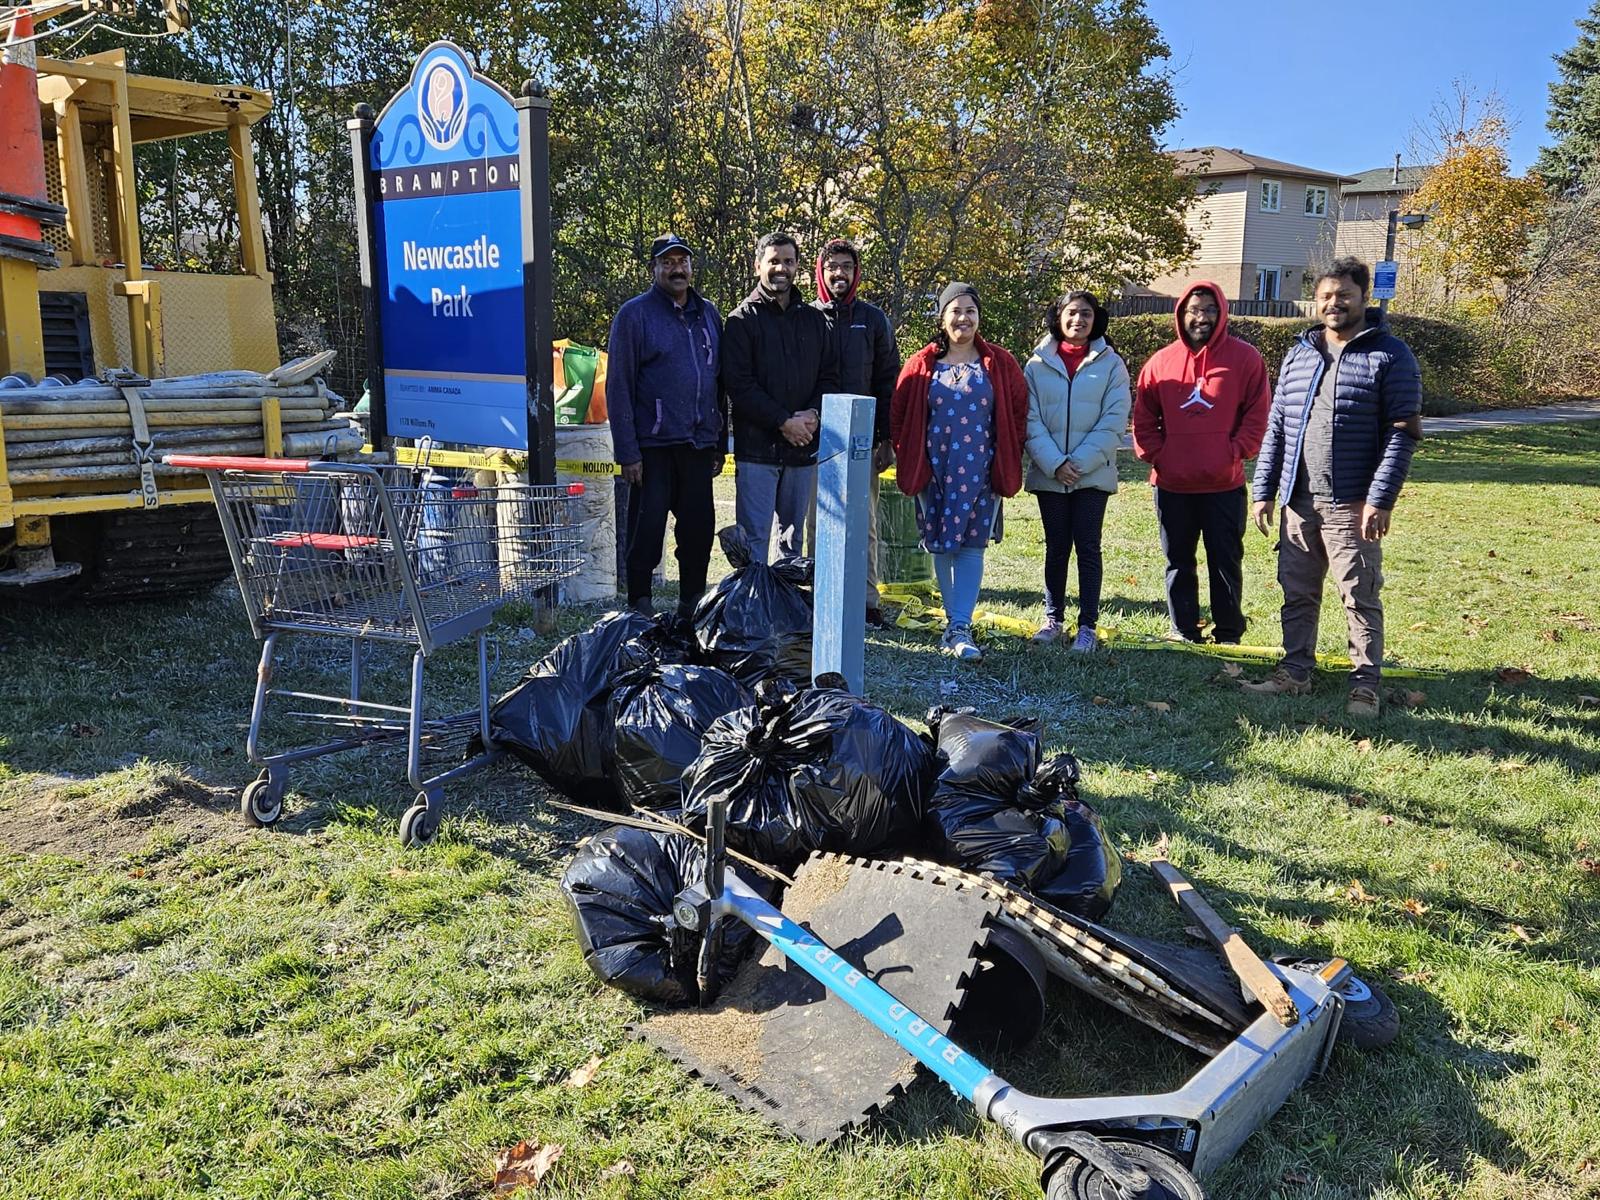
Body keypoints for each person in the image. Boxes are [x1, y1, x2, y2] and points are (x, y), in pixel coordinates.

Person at [1244, 257, 1422, 717]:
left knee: (1359, 595)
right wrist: (1264, 488)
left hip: (1352, 502)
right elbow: (1277, 427)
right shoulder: (1300, 353)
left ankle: (1365, 685)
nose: (1333, 304)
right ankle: (1294, 672)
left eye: (1343, 294)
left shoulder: (1391, 354)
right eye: (1325, 295)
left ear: (1364, 296)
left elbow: (1403, 430)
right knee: (1297, 591)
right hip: (1298, 502)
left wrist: (1381, 499)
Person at [890, 282, 1027, 662]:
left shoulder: (1000, 363)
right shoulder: (922, 363)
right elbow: (900, 415)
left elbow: (1017, 413)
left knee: (971, 545)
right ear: (942, 316)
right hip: (934, 469)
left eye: (970, 310)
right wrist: (910, 456)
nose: (963, 318)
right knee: (940, 543)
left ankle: (960, 625)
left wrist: (1007, 457)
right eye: (955, 310)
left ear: (979, 316)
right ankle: (953, 623)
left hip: (981, 471)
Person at [1131, 282, 1270, 645]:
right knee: (1178, 560)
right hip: (1172, 484)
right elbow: (1144, 417)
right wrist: (1158, 455)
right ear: (1181, 314)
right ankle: (1184, 629)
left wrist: (1236, 450)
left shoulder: (1245, 359)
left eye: (1209, 309)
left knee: (1225, 561)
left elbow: (1257, 415)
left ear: (1222, 312)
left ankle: (1228, 632)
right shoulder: (1161, 362)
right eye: (1194, 310)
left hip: (1223, 483)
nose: (1201, 317)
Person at [605, 234, 725, 617]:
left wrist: (718, 440)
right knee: (646, 533)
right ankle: (638, 608)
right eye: (668, 262)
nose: (677, 268)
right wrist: (628, 451)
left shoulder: (708, 315)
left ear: (691, 267)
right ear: (654, 269)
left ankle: (691, 608)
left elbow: (718, 382)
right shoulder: (634, 315)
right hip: (652, 448)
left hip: (697, 444)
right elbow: (618, 386)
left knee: (698, 532)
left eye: (683, 261)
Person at [1023, 290, 1131, 652]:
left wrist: (1078, 464)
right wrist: (1055, 463)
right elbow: (1029, 418)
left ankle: (1087, 626)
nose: (1078, 320)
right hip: (1050, 475)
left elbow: (1114, 419)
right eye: (1071, 313)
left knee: (1087, 547)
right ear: (1058, 316)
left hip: (1092, 475)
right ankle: (1053, 619)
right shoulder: (1036, 365)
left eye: (1085, 313)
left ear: (1094, 318)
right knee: (1056, 547)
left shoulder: (1112, 364)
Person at [723, 231, 839, 563]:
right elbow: (739, 386)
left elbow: (829, 376)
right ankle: (754, 610)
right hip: (757, 451)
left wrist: (814, 415)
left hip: (803, 450)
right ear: (758, 265)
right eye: (774, 261)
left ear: (797, 267)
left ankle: (785, 610)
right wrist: (783, 421)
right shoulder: (740, 320)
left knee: (793, 541)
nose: (781, 268)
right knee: (754, 539)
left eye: (788, 261)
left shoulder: (815, 320)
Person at [810, 237, 900, 626]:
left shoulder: (873, 319)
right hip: (816, 438)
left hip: (862, 438)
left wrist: (887, 437)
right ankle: (815, 595)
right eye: (832, 267)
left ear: (855, 272)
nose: (839, 274)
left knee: (863, 522)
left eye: (846, 266)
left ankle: (866, 600)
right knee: (817, 522)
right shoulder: (806, 317)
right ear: (821, 271)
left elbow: (887, 380)